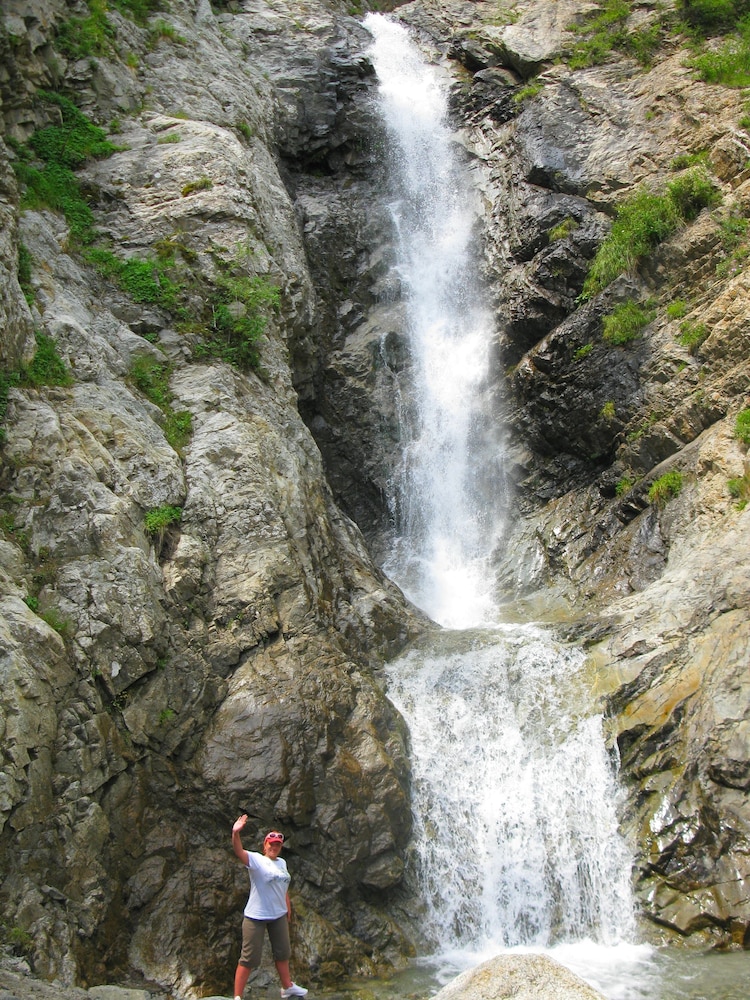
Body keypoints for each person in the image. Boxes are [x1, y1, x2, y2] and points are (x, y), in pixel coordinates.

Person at [232, 815, 308, 1000]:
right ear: (265, 845)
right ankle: (237, 996)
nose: (274, 847)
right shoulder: (257, 860)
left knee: (283, 952)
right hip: (256, 915)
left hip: (278, 915)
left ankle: (287, 987)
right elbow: (239, 851)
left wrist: (287, 908)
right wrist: (235, 833)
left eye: (278, 845)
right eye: (271, 844)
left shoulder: (282, 863)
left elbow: (283, 886)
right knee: (249, 958)